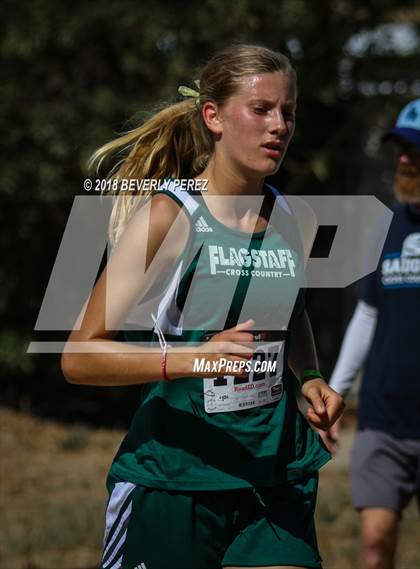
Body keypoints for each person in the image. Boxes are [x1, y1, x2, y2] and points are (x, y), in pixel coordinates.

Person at [61, 44, 344, 569]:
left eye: (289, 112)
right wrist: (194, 358)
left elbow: (291, 315)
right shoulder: (170, 216)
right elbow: (80, 358)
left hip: (272, 479)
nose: (279, 125)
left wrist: (308, 375)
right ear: (212, 117)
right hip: (176, 480)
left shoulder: (292, 218)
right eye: (261, 110)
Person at [322, 99, 420, 569]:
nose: (404, 158)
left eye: (415, 149)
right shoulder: (388, 226)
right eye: (400, 147)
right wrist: (337, 393)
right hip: (384, 421)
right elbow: (367, 314)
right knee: (375, 546)